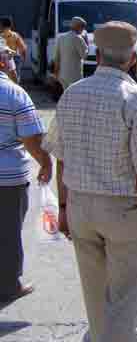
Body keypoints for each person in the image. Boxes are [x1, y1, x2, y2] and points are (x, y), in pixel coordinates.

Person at [45, 21, 137, 341]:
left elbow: (61, 156)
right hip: (122, 210)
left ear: (97, 55)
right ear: (132, 59)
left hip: (80, 207)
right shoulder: (136, 100)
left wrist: (63, 206)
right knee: (126, 301)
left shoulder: (72, 93)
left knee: (96, 296)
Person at [0, 40, 50, 304]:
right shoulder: (13, 93)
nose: (12, 62)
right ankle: (9, 285)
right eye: (9, 58)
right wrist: (46, 162)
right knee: (7, 233)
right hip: (7, 179)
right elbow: (32, 138)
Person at [53, 16, 89, 91]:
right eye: (83, 27)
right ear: (79, 27)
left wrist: (56, 73)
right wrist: (86, 42)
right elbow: (84, 56)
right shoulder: (78, 38)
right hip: (75, 76)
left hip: (62, 75)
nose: (83, 29)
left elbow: (56, 57)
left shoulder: (61, 37)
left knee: (65, 95)